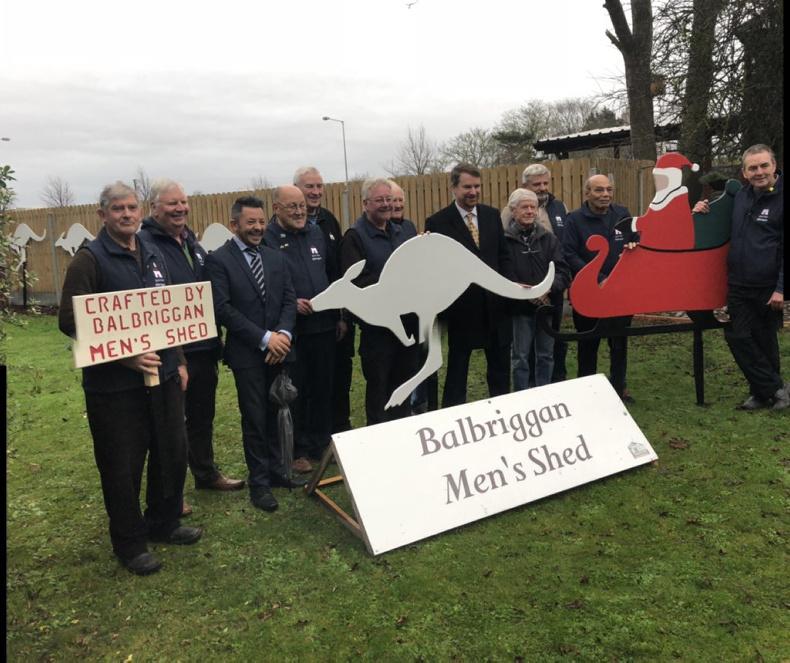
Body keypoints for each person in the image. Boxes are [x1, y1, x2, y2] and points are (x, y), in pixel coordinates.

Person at [58, 182, 202, 576]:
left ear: (141, 212)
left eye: (131, 208)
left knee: (171, 452)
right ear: (102, 215)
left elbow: (168, 314)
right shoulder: (89, 260)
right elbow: (70, 320)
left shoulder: (153, 252)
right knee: (122, 465)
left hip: (164, 376)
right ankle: (130, 543)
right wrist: (127, 355)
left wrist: (179, 360)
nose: (126, 215)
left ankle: (164, 522)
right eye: (118, 209)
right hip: (114, 388)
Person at [139, 179, 244, 516]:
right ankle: (171, 493)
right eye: (172, 203)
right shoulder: (145, 245)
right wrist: (174, 354)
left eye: (183, 202)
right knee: (169, 427)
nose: (180, 208)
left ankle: (205, 473)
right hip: (172, 354)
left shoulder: (192, 243)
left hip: (204, 347)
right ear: (154, 208)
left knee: (202, 417)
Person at [204, 195, 302, 513]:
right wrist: (264, 339)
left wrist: (283, 335)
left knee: (278, 413)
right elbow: (222, 309)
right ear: (234, 224)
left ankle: (278, 471)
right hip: (248, 354)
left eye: (261, 221)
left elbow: (289, 300)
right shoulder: (219, 261)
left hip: (280, 350)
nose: (258, 227)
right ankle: (259, 483)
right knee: (255, 418)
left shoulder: (276, 257)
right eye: (251, 223)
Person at [693, 144, 787, 410]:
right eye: (752, 168)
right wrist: (702, 208)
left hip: (769, 284)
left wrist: (781, 288)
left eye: (764, 166)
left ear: (774, 165)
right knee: (738, 336)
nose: (759, 172)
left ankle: (762, 394)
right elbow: (716, 219)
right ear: (744, 173)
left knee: (765, 339)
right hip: (738, 283)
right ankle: (776, 389)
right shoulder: (740, 196)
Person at [425, 163, 513, 407]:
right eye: (467, 187)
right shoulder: (438, 223)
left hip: (495, 307)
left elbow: (503, 256)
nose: (473, 192)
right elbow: (436, 268)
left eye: (476, 186)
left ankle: (503, 411)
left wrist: (507, 288)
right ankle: (452, 415)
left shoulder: (491, 215)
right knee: (457, 371)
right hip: (462, 310)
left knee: (500, 371)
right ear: (453, 188)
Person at [264, 185, 336, 468]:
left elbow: (329, 273)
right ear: (276, 209)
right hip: (292, 329)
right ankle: (298, 450)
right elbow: (265, 284)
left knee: (323, 387)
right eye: (292, 206)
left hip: (323, 325)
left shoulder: (316, 233)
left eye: (302, 206)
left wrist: (339, 315)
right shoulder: (267, 239)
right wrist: (291, 304)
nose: (298, 212)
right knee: (296, 391)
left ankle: (322, 444)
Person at [340, 178, 418, 424]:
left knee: (403, 386)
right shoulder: (355, 237)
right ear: (365, 204)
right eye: (380, 200)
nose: (386, 204)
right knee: (379, 390)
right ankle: (378, 437)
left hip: (407, 325)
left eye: (389, 199)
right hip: (378, 332)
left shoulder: (402, 231)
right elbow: (356, 283)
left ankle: (402, 433)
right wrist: (393, 284)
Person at [562, 174, 634, 401]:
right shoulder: (574, 220)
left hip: (620, 292)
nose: (605, 195)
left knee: (619, 342)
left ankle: (619, 388)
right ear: (587, 193)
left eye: (608, 190)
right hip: (589, 293)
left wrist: (634, 244)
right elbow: (569, 254)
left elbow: (636, 240)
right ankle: (587, 391)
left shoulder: (622, 214)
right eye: (599, 190)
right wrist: (598, 278)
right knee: (588, 344)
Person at [293, 166, 353, 434]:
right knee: (307, 384)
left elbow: (336, 270)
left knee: (336, 376)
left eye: (319, 186)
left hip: (330, 317)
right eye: (310, 187)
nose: (316, 192)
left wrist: (341, 314)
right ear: (297, 189)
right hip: (301, 323)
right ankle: (308, 438)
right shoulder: (281, 225)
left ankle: (337, 430)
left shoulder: (329, 221)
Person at [504, 188, 570, 389]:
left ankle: (544, 394)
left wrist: (547, 289)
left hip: (546, 306)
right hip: (519, 308)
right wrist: (522, 292)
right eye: (524, 207)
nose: (530, 211)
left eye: (533, 207)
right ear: (513, 210)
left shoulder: (549, 239)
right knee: (520, 357)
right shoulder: (504, 241)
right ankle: (522, 396)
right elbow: (502, 273)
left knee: (546, 355)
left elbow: (563, 271)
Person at [521, 164, 570, 384]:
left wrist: (557, 283)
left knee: (554, 336)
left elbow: (565, 245)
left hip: (554, 286)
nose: (542, 188)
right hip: (526, 289)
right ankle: (531, 384)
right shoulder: (513, 209)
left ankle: (556, 380)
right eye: (537, 184)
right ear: (525, 186)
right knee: (527, 344)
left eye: (545, 183)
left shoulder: (559, 207)